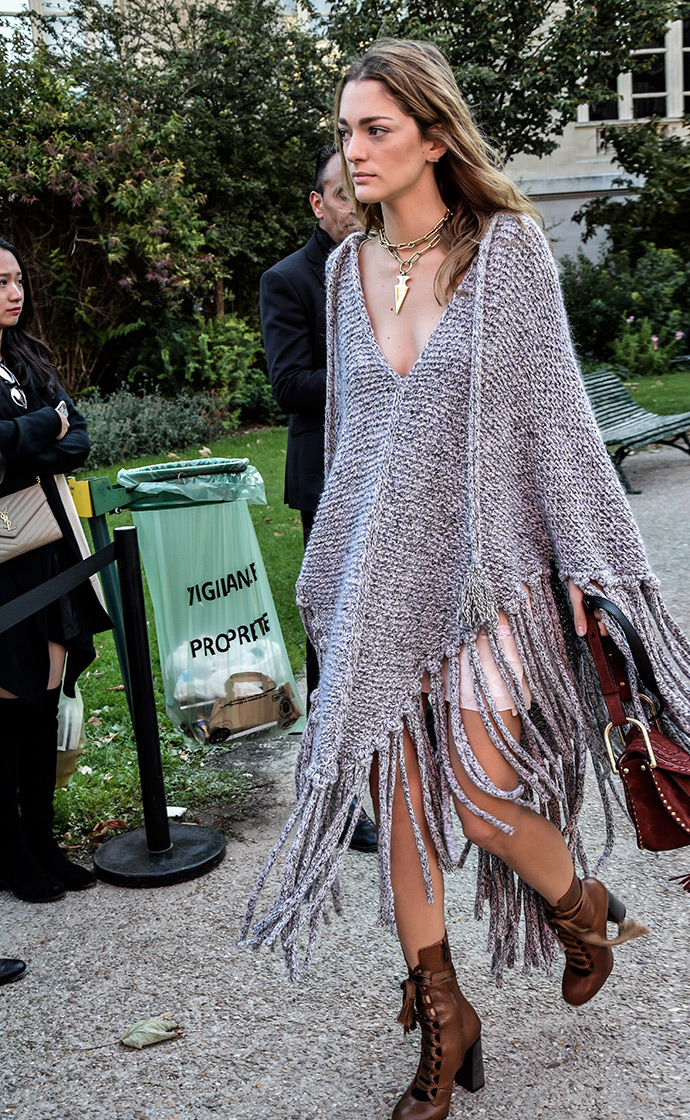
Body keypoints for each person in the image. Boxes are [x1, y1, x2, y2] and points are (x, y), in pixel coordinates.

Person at [241, 41, 690, 1120]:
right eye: (345, 131)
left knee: (485, 796)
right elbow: (354, 441)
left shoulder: (509, 256)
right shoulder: (345, 273)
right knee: (398, 802)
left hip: (487, 584)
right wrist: (337, 570)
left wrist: (594, 568)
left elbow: (557, 430)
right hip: (380, 584)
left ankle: (579, 906)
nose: (352, 151)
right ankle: (444, 1011)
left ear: (434, 137)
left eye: (374, 130)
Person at [260, 146, 377, 853]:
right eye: (341, 197)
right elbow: (288, 386)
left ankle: (397, 773)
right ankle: (331, 799)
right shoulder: (288, 279)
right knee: (332, 642)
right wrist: (375, 366)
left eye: (359, 197)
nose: (353, 210)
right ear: (317, 203)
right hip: (327, 479)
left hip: (388, 472)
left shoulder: (385, 266)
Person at [0, 237, 111, 904]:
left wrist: (32, 436)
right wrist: (45, 426)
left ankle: (42, 840)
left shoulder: (27, 357)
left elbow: (82, 437)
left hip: (44, 547)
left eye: (16, 279)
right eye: (0, 282)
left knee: (43, 694)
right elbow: (42, 434)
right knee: (7, 702)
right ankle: (11, 852)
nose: (13, 292)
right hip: (1, 558)